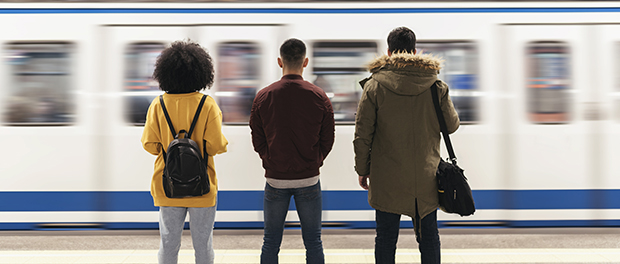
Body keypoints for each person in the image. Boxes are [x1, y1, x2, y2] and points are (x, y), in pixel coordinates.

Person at [353, 27, 460, 264]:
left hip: (386, 177)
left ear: (389, 52)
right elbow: (451, 126)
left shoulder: (374, 86)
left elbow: (362, 135)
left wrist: (363, 169)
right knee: (429, 238)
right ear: (414, 51)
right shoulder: (436, 86)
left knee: (386, 239)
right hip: (426, 177)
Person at [141, 40, 228, 264]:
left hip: (167, 185)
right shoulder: (208, 105)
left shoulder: (158, 105)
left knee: (169, 243)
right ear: (201, 73)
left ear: (165, 73)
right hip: (202, 186)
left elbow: (150, 145)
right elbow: (215, 146)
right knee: (203, 245)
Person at [250, 38, 335, 264]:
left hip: (275, 180)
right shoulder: (319, 96)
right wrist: (314, 160)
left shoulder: (263, 96)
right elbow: (328, 139)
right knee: (313, 241)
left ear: (280, 62)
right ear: (305, 62)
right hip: (308, 179)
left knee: (270, 241)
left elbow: (257, 138)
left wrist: (269, 159)